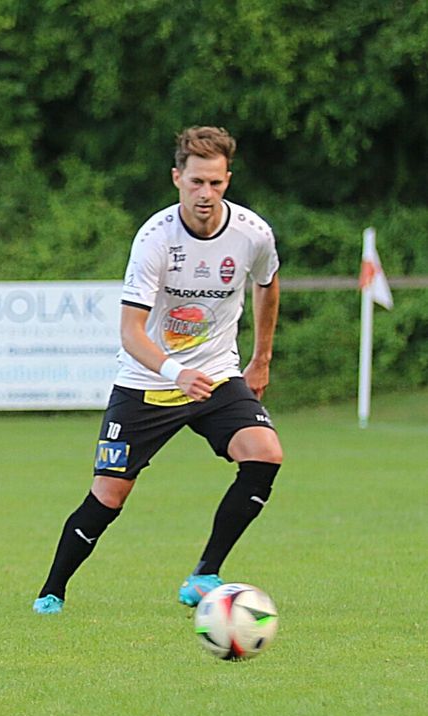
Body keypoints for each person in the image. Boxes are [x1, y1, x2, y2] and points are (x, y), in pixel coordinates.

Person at [31, 126, 283, 615]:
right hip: (148, 383)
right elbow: (131, 332)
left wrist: (261, 358)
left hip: (215, 375)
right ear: (176, 178)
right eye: (196, 182)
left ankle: (204, 574)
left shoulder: (252, 234)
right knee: (108, 497)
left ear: (227, 180)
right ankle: (52, 592)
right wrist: (175, 373)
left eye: (215, 182)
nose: (205, 193)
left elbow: (267, 283)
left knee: (265, 454)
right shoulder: (155, 239)